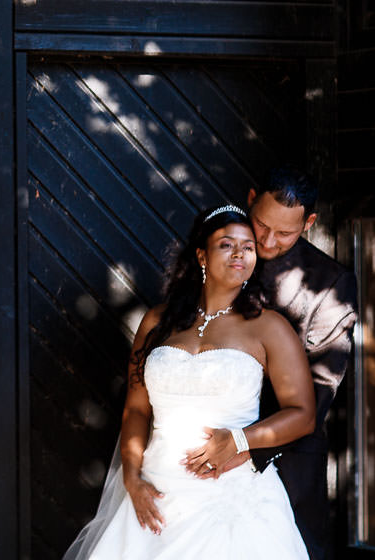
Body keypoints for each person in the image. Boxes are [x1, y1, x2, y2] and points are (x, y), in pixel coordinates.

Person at [63, 204, 316, 560]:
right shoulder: (157, 322)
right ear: (202, 255)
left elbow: (303, 414)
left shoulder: (269, 327)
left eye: (248, 246)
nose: (240, 254)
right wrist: (132, 479)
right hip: (157, 491)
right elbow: (136, 409)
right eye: (227, 244)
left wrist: (240, 439)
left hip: (231, 496)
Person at [203, 167, 357, 560]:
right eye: (261, 224)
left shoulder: (331, 284)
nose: (268, 240)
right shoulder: (219, 253)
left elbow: (320, 390)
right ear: (250, 198)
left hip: (286, 458)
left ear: (309, 223)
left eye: (285, 233)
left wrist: (246, 447)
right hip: (202, 446)